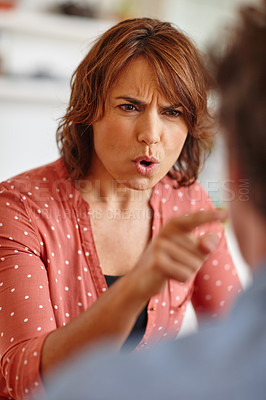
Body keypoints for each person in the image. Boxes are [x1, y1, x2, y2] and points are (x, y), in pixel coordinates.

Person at [0, 17, 242, 400]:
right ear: (89, 110)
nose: (150, 134)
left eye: (172, 112)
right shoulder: (21, 207)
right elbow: (23, 381)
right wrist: (133, 291)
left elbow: (237, 340)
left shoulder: (188, 201)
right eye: (130, 106)